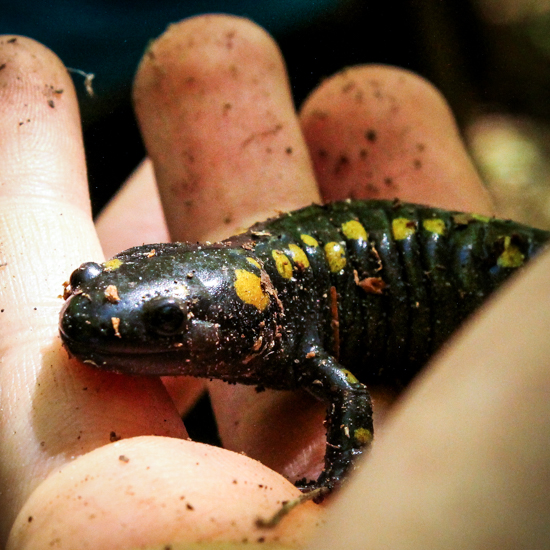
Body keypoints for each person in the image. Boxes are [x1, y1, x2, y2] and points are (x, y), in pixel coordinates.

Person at [1, 15, 549, 550]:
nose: (88, 315)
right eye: (86, 279)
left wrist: (343, 470)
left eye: (167, 321)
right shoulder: (263, 312)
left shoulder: (289, 333)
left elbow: (350, 392)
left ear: (244, 324)